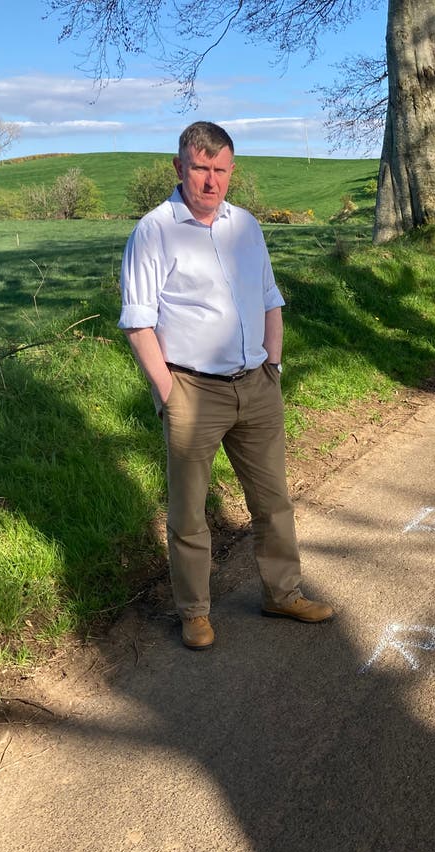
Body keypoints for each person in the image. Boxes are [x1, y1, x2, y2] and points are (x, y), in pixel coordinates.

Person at [119, 121, 334, 651]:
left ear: (231, 171)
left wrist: (274, 370)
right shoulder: (154, 231)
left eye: (220, 169)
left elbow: (270, 300)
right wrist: (169, 393)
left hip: (257, 384)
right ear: (179, 168)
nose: (210, 180)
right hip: (193, 390)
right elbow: (137, 321)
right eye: (199, 168)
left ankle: (282, 593)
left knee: (273, 500)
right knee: (190, 513)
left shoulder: (247, 227)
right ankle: (194, 612)